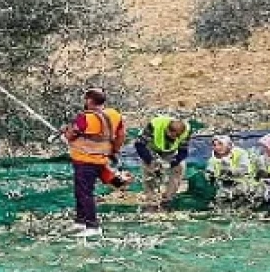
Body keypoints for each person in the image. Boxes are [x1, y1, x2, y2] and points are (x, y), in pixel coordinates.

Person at [62, 88, 130, 239]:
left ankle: (92, 226)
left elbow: (71, 135)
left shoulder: (83, 118)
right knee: (82, 191)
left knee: (84, 193)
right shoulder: (114, 115)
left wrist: (64, 134)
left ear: (89, 101)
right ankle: (80, 222)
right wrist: (114, 151)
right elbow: (121, 134)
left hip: (84, 161)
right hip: (101, 159)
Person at [134, 115, 192, 211]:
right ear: (167, 129)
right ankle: (151, 200)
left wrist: (173, 162)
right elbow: (139, 144)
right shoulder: (155, 125)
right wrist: (150, 161)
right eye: (171, 135)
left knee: (179, 168)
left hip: (170, 151)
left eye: (176, 137)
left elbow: (183, 151)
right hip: (151, 148)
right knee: (149, 173)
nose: (174, 138)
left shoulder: (186, 130)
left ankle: (167, 200)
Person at [204, 135, 260, 204]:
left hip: (241, 180)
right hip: (222, 183)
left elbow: (244, 169)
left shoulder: (240, 153)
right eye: (214, 145)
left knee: (241, 189)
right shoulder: (213, 159)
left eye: (220, 144)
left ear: (229, 145)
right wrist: (209, 176)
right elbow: (209, 172)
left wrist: (230, 170)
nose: (217, 147)